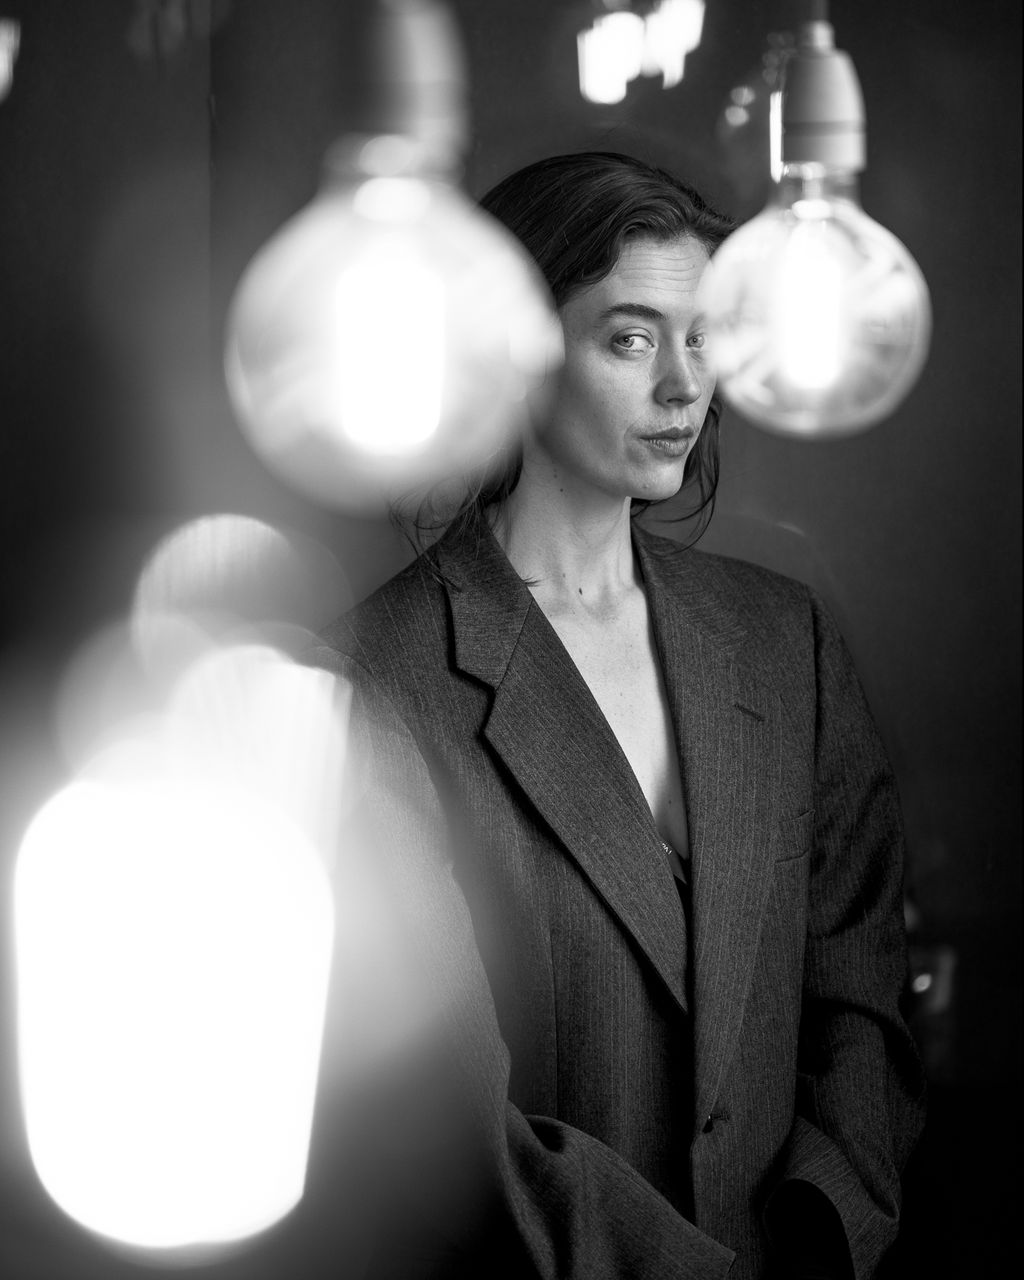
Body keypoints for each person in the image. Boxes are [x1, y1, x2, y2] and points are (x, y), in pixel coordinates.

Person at [310, 152, 925, 1280]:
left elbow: (862, 1001)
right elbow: (451, 1128)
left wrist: (815, 1240)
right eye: (631, 339)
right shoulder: (375, 683)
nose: (684, 387)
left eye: (704, 337)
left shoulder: (783, 640)